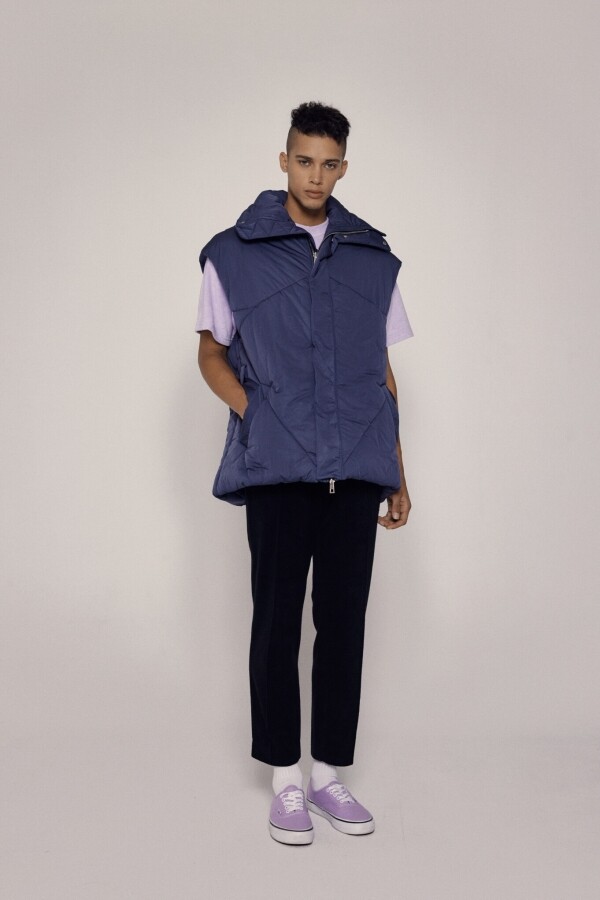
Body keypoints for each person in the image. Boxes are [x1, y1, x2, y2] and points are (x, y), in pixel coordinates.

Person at [196, 101, 413, 845]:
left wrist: (398, 471)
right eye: (303, 160)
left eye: (328, 163)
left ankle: (327, 775)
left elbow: (382, 372)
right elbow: (210, 353)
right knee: (277, 621)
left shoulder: (373, 259)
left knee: (344, 624)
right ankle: (285, 779)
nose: (314, 175)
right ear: (283, 160)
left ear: (343, 167)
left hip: (356, 468)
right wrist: (253, 412)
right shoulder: (233, 253)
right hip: (279, 468)